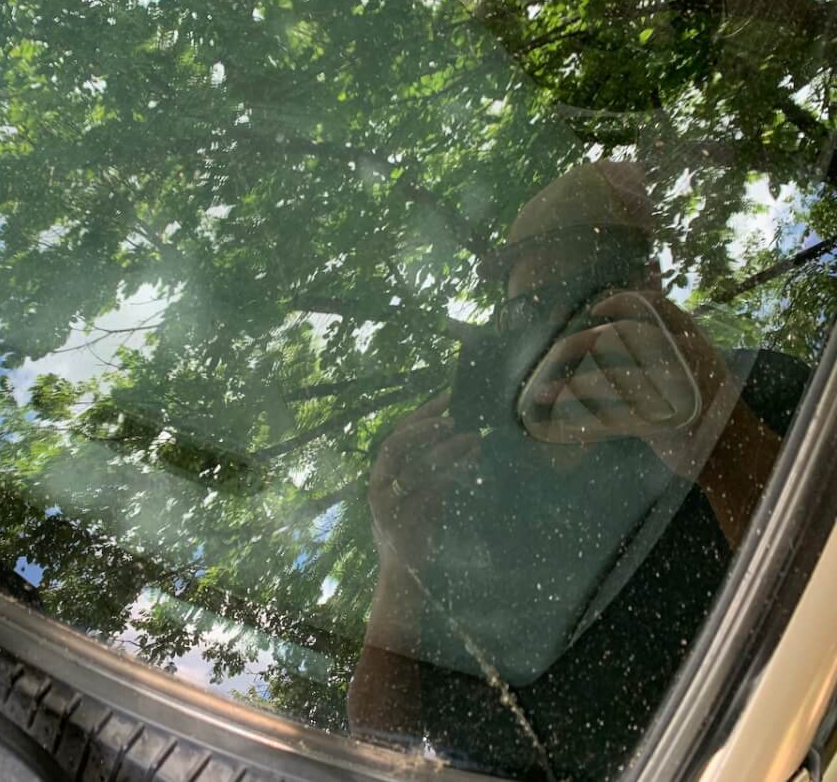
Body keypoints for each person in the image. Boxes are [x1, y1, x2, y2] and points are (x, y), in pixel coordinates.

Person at [346, 162, 808, 781]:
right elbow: (377, 742)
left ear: (648, 289)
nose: (559, 333)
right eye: (531, 309)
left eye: (587, 295)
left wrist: (719, 442)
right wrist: (398, 565)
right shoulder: (461, 487)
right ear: (503, 324)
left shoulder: (756, 394)